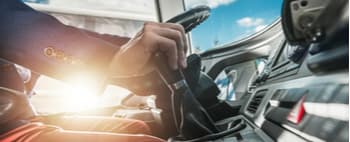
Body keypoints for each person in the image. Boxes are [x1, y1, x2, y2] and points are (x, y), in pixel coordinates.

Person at [0, 0, 188, 141]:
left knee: (138, 127)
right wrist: (110, 60)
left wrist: (140, 50)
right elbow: (20, 29)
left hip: (20, 119)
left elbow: (66, 34)